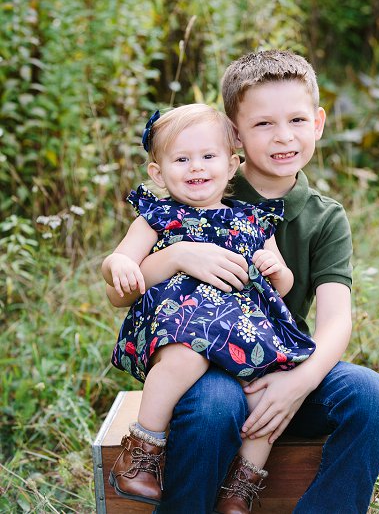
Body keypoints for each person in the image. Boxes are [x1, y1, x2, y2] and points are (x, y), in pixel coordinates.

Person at [135, 50, 379, 513]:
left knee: (372, 396)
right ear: (235, 134)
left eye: (297, 119)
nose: (284, 137)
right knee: (216, 405)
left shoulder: (325, 217)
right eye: (262, 124)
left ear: (318, 122)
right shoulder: (202, 187)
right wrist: (179, 254)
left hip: (279, 364)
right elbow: (123, 288)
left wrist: (298, 382)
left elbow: (337, 321)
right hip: (205, 368)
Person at [102, 104, 317, 511]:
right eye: (181, 159)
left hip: (244, 333)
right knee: (186, 359)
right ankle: (142, 451)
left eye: (208, 156)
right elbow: (118, 265)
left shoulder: (252, 219)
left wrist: (276, 269)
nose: (196, 167)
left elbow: (282, 284)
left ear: (232, 164)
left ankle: (242, 485)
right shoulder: (157, 217)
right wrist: (119, 265)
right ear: (157, 173)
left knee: (265, 391)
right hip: (179, 326)